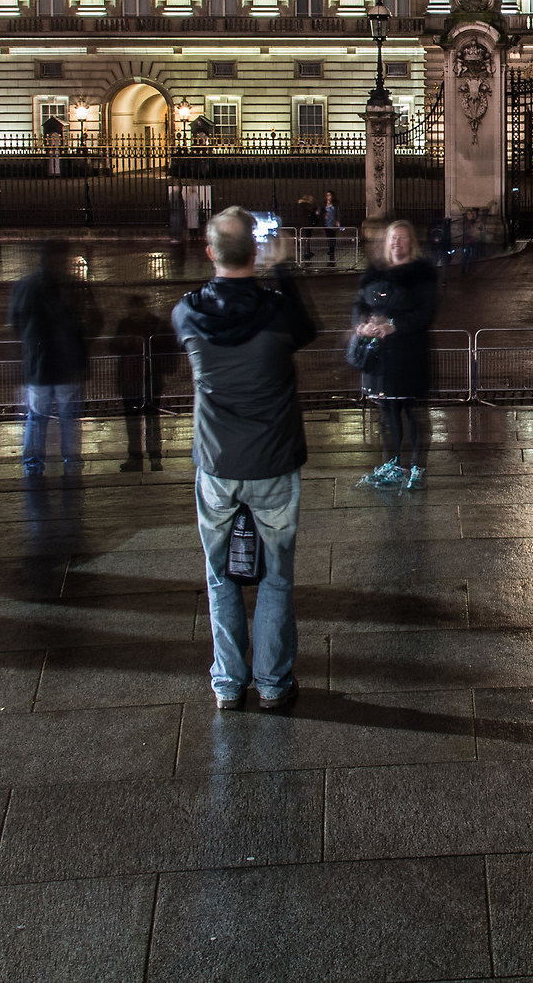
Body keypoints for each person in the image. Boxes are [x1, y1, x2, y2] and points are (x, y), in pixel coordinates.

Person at [176, 207, 319, 711]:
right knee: (276, 577)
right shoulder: (279, 312)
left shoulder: (188, 313)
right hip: (274, 460)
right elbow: (308, 329)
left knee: (220, 579)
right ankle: (274, 684)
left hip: (217, 463)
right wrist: (281, 269)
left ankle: (228, 684)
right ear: (254, 252)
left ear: (211, 252)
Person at [354, 220, 441, 489]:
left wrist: (395, 326)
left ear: (411, 243)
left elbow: (426, 313)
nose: (397, 243)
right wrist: (362, 324)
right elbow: (359, 304)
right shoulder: (374, 272)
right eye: (393, 238)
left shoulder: (421, 273)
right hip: (381, 357)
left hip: (409, 354)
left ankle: (416, 466)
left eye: (403, 238)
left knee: (412, 414)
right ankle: (391, 463)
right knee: (387, 414)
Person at [8, 240, 92, 477]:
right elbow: (91, 320)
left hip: (38, 364)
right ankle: (71, 462)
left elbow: (15, 324)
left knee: (36, 418)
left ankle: (33, 466)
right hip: (67, 364)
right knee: (68, 418)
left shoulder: (24, 286)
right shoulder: (72, 286)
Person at [112, 295, 167, 469]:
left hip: (149, 378)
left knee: (150, 418)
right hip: (132, 379)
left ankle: (152, 456)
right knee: (135, 420)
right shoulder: (126, 325)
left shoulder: (155, 324)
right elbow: (113, 347)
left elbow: (166, 347)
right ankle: (137, 456)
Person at [320, 191, 342, 266]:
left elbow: (337, 213)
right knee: (328, 237)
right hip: (326, 223)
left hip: (333, 223)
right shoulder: (324, 203)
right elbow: (322, 212)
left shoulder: (335, 204)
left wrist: (338, 222)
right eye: (326, 195)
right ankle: (330, 249)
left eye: (329, 195)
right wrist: (323, 214)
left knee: (332, 237)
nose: (328, 196)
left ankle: (332, 250)